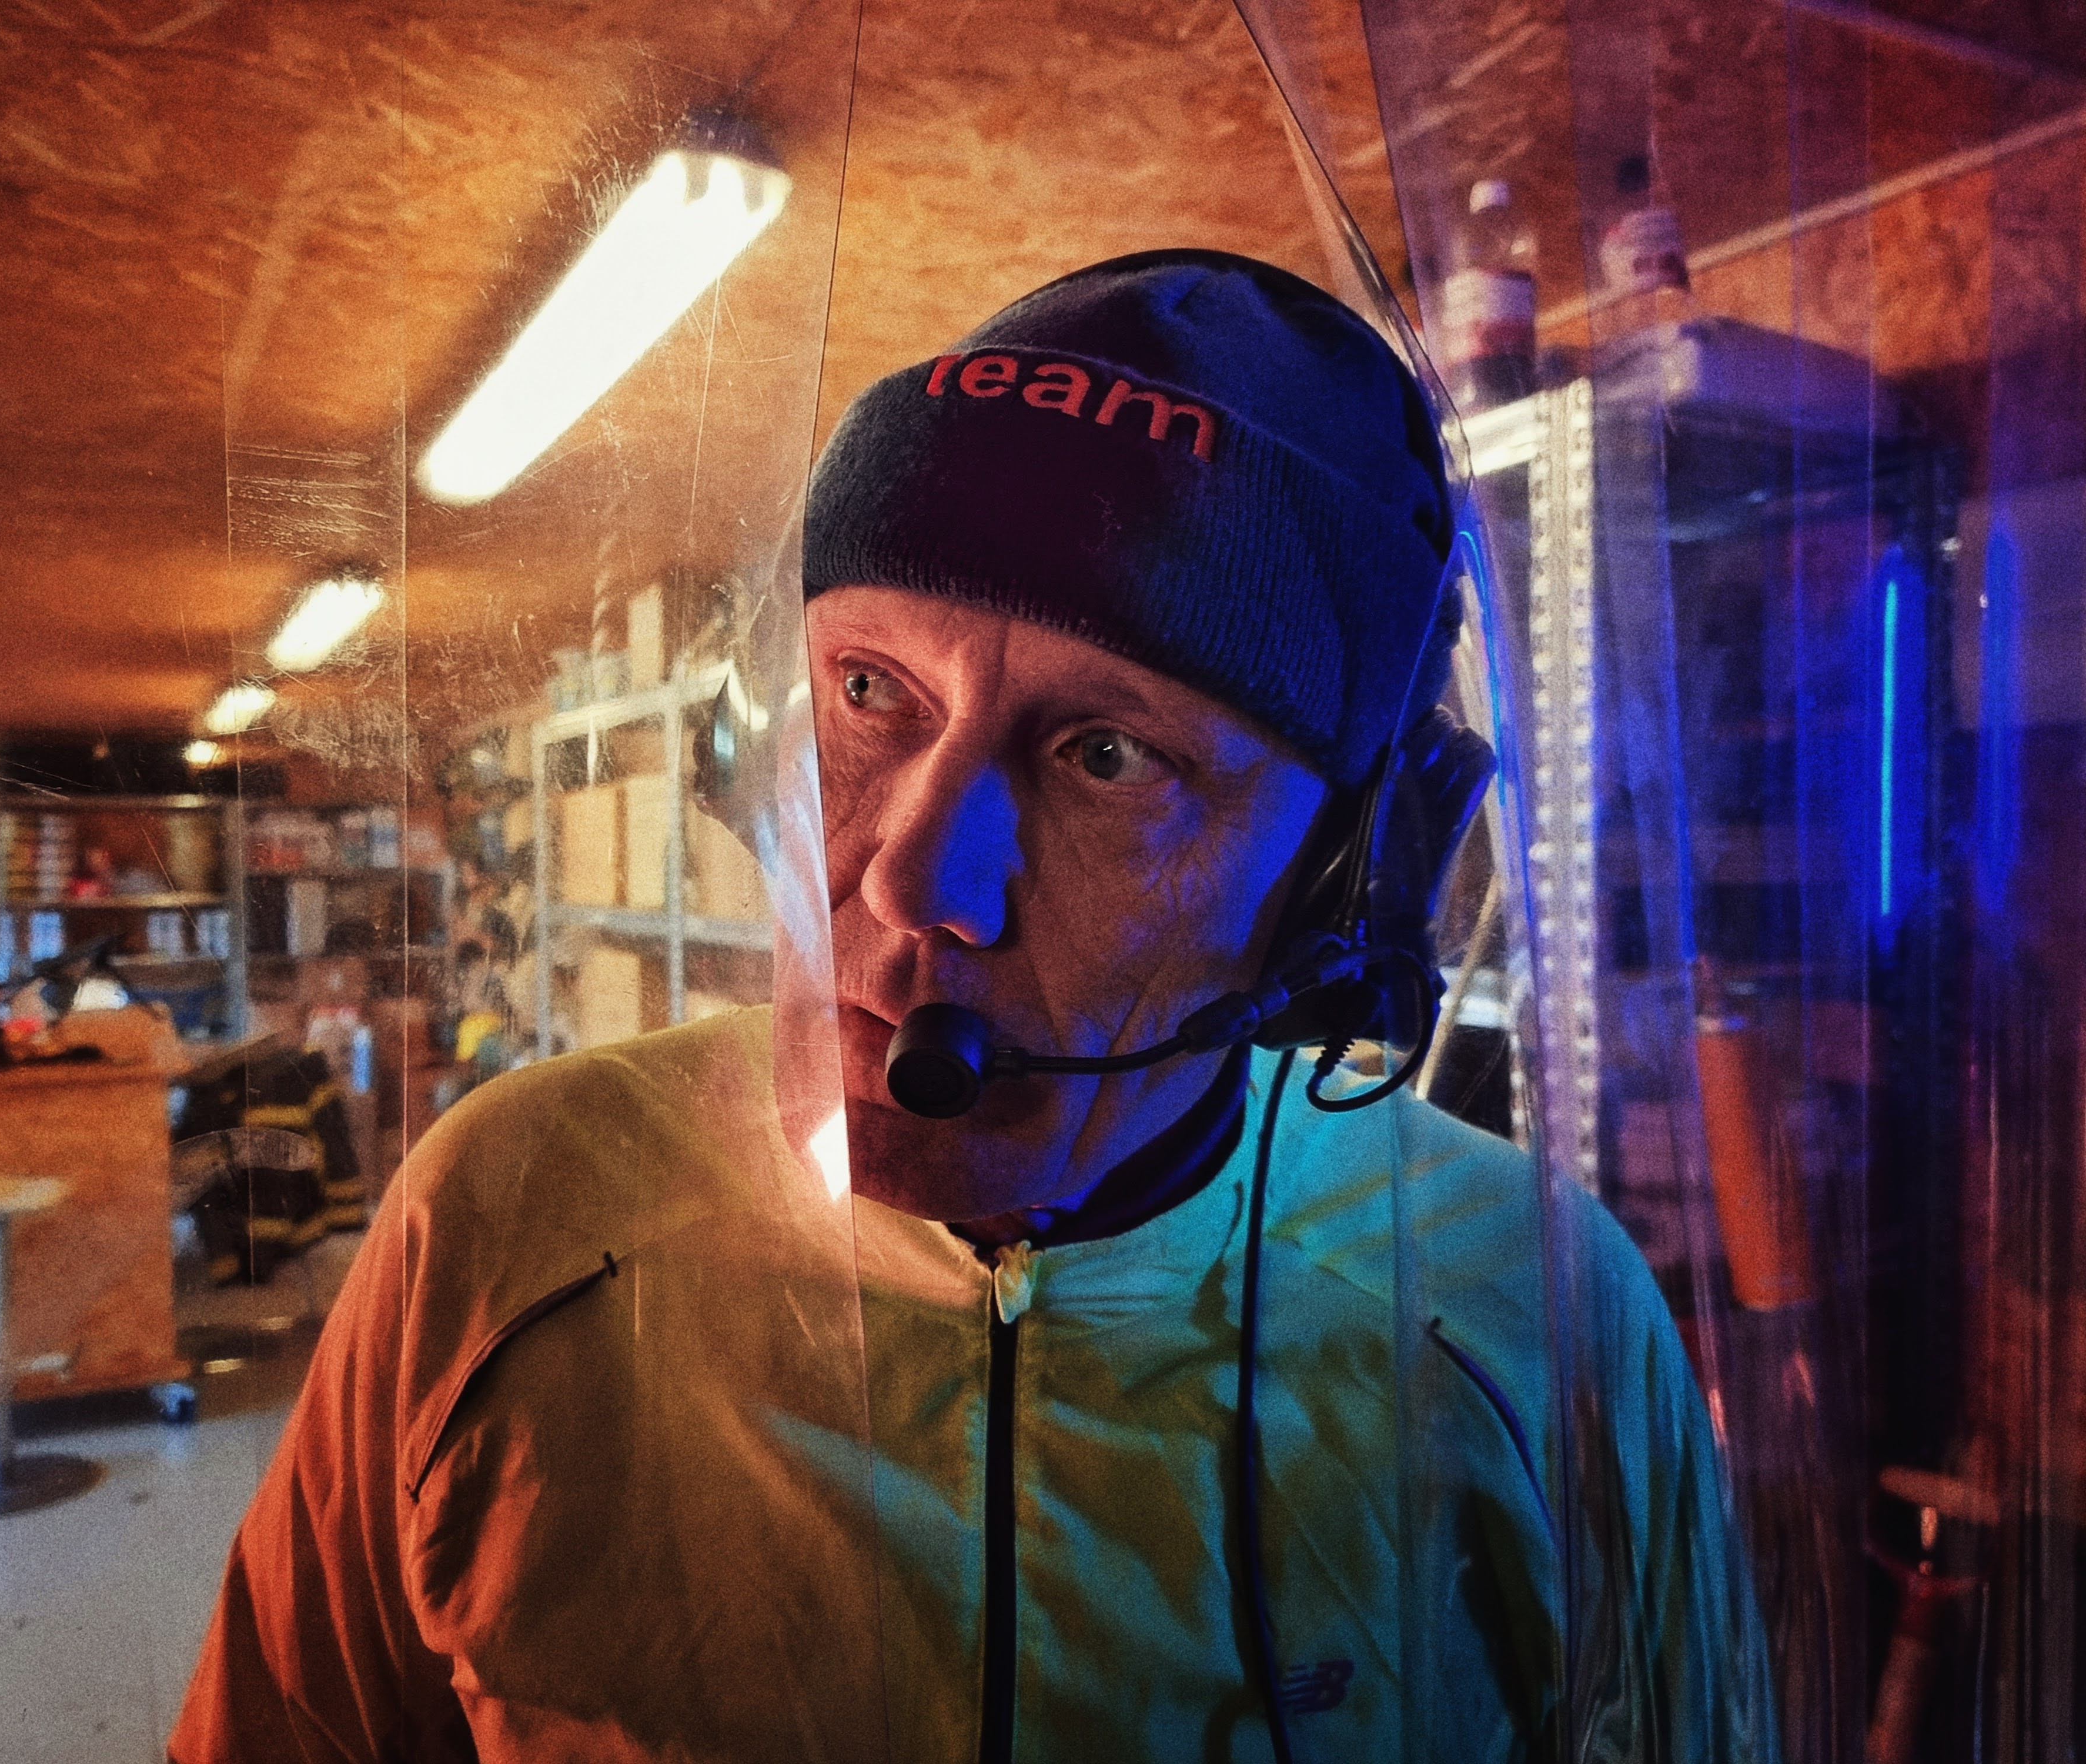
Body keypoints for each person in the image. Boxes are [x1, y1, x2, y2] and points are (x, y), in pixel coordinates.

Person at [171, 251, 1773, 1763]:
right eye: (872, 691)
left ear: (1340, 895)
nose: (912, 877)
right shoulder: (504, 1218)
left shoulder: (1530, 1316)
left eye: (1107, 756)